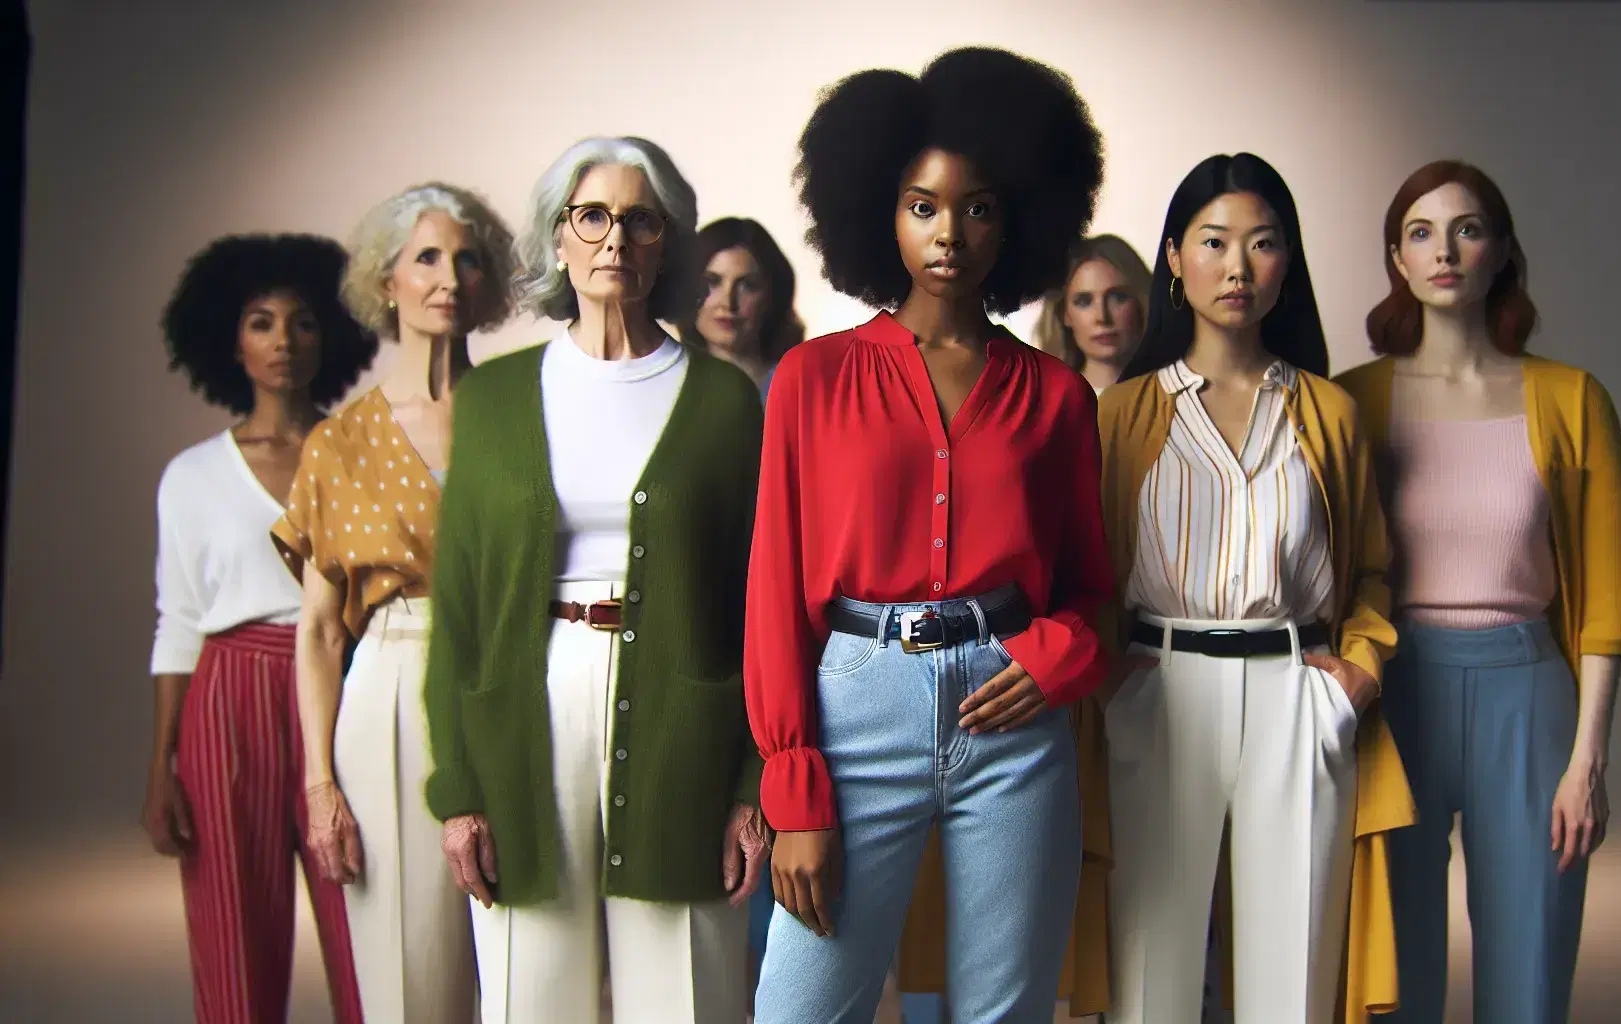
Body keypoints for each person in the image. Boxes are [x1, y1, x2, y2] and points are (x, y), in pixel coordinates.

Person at [746, 46, 1110, 1024]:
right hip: (858, 698)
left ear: (1021, 216)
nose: (949, 232)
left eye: (978, 206)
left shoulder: (1057, 398)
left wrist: (1058, 658)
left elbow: (1090, 591)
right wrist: (792, 789)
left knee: (1005, 1009)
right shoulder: (812, 381)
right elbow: (776, 593)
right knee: (800, 1006)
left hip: (1013, 708)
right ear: (879, 209)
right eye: (922, 205)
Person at [422, 136, 768, 1024]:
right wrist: (458, 790)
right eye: (593, 216)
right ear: (558, 237)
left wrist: (750, 782)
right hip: (529, 706)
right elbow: (457, 608)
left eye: (639, 219)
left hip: (686, 718)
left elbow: (759, 607)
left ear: (667, 242)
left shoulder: (727, 403)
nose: (615, 239)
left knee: (688, 993)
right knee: (528, 990)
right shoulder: (495, 401)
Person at [1092, 153, 1414, 1024]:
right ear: (1172, 257)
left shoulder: (1328, 412)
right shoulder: (1121, 415)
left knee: (1294, 978)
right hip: (1155, 691)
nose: (1238, 267)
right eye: (1214, 242)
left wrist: (1357, 675)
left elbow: (1373, 568)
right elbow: (1082, 570)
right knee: (1147, 974)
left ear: (1287, 263)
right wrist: (1107, 679)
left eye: (1264, 244)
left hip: (1296, 693)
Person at [1336, 159, 1621, 1024]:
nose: (1445, 251)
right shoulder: (1353, 402)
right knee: (1393, 964)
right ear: (1397, 257)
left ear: (1502, 252)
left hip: (1528, 689)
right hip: (1394, 691)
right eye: (1422, 233)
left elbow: (1611, 595)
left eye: (1468, 229)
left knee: (1531, 958)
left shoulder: (1573, 398)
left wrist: (1589, 760)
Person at [270, 183, 516, 1023]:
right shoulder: (339, 442)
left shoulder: (535, 412)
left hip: (521, 678)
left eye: (468, 258)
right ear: (387, 281)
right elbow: (314, 632)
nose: (450, 277)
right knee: (409, 969)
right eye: (428, 258)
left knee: (535, 956)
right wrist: (318, 785)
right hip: (392, 688)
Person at [145, 233, 375, 1024]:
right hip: (227, 697)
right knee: (234, 943)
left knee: (368, 933)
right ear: (228, 339)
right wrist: (162, 763)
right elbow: (176, 621)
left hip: (343, 690)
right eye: (260, 321)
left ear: (333, 334)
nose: (283, 340)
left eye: (304, 321)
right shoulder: (193, 476)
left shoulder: (363, 455)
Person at [674, 216, 803, 401]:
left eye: (748, 285)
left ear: (773, 295)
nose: (728, 303)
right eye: (711, 282)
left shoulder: (801, 389)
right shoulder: (662, 385)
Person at [1031, 233, 1152, 394]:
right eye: (1084, 301)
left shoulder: (1174, 395)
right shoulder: (1046, 402)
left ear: (1141, 302)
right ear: (1064, 314)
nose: (1102, 317)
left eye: (1118, 297)